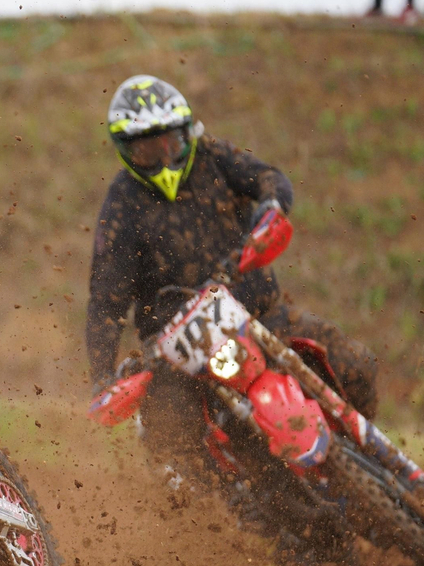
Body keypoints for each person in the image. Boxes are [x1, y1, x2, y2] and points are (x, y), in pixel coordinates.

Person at [85, 74, 379, 501]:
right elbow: (104, 303)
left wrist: (272, 207)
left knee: (356, 365)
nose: (164, 156)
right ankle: (240, 518)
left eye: (171, 142)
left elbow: (269, 179)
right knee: (173, 439)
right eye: (147, 148)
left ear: (187, 132)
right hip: (181, 354)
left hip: (259, 313)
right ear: (127, 151)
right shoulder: (121, 204)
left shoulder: (213, 157)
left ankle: (363, 464)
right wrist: (100, 376)